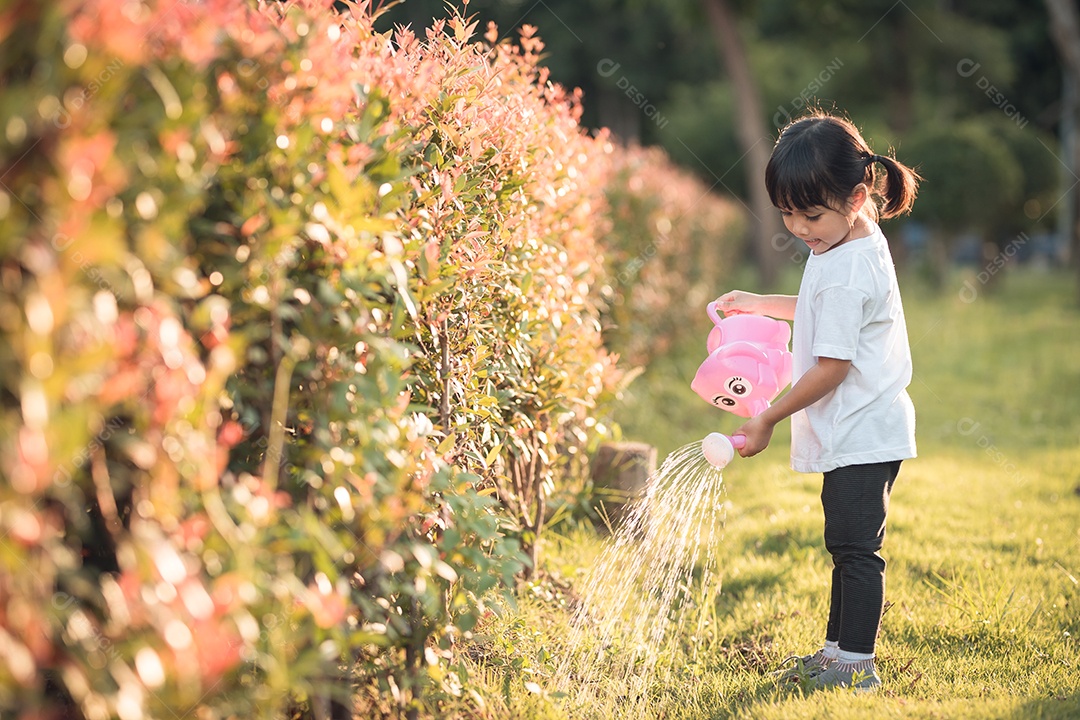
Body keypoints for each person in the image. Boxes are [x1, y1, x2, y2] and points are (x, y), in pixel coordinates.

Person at [716, 111, 920, 693]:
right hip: (858, 428)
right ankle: (835, 654)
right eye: (786, 212)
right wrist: (760, 302)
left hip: (862, 429)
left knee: (857, 552)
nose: (799, 227)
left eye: (810, 215)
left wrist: (767, 416)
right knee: (846, 545)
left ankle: (856, 666)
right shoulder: (850, 234)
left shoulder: (848, 265)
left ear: (856, 197)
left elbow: (832, 365)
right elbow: (819, 306)